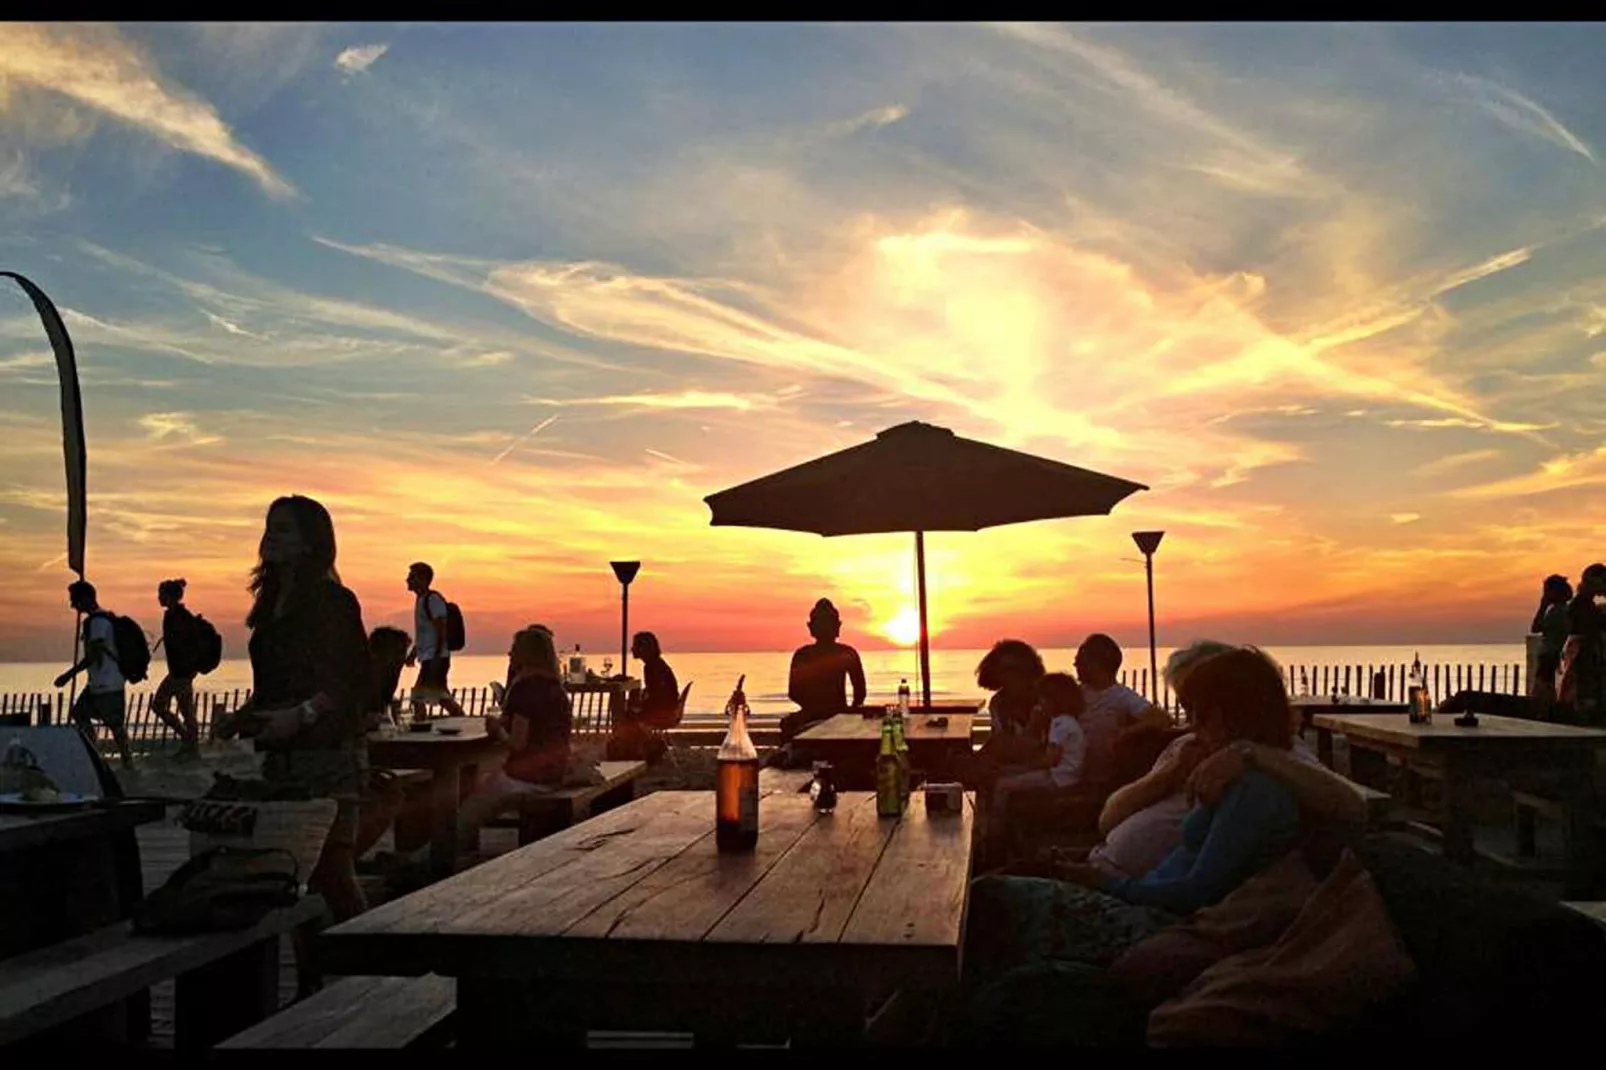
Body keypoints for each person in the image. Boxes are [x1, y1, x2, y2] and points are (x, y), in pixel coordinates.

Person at [955, 647, 1308, 1046]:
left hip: (1146, 920)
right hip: (1131, 893)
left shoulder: (1256, 790)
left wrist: (1099, 881)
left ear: (1225, 715)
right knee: (988, 898)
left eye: (1196, 713)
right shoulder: (1225, 772)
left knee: (987, 903)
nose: (1190, 724)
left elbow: (1193, 893)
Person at [215, 494, 372, 922]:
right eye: (268, 527)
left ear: (309, 542)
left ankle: (375, 972)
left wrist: (302, 714)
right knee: (290, 875)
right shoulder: (270, 606)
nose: (270, 537)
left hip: (329, 756)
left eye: (283, 529)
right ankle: (311, 980)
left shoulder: (333, 601)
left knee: (333, 873)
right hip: (281, 762)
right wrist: (244, 717)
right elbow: (276, 686)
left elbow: (353, 681)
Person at [442, 625, 573, 851]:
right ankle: (458, 851)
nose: (509, 654)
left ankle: (438, 863)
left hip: (527, 779)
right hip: (554, 774)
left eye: (514, 649)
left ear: (526, 654)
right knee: (481, 789)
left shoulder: (525, 687)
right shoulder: (556, 688)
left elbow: (517, 744)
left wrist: (497, 729)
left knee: (467, 813)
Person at [987, 672, 1087, 841]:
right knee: (1007, 773)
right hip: (1067, 776)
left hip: (1058, 778)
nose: (1039, 704)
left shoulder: (1059, 724)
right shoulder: (1069, 721)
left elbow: (1051, 760)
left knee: (1002, 785)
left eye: (1042, 699)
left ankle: (996, 833)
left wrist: (1023, 768)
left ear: (1052, 701)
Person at [54, 580, 134, 770]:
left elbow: (94, 655)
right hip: (99, 683)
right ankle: (96, 754)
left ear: (86, 598)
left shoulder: (98, 622)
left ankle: (125, 762)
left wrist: (68, 675)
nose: (72, 604)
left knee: (115, 724)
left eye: (74, 599)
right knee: (80, 714)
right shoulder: (97, 620)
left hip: (107, 683)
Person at [1074, 633, 1172, 786]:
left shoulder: (1121, 696)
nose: (1075, 665)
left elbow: (1162, 719)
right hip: (1072, 771)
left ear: (1097, 663)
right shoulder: (1076, 693)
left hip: (1101, 778)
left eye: (1080, 661)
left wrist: (1127, 733)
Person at [781, 598, 867, 741]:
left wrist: (845, 712)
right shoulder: (845, 653)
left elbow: (860, 693)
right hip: (828, 714)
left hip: (833, 714)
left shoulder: (845, 654)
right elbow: (860, 693)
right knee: (787, 726)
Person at [968, 639, 1050, 780]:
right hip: (1008, 766)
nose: (1008, 676)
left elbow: (1038, 749)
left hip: (1039, 770)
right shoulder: (997, 702)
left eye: (1014, 670)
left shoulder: (1045, 701)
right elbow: (997, 741)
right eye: (1003, 670)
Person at [608, 632, 681, 763]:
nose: (632, 649)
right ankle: (634, 746)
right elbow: (656, 692)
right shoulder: (656, 664)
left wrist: (639, 707)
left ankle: (629, 747)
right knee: (627, 709)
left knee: (623, 713)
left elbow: (658, 696)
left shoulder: (653, 667)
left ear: (645, 648)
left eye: (636, 645)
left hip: (663, 713)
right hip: (668, 709)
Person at [405, 562, 465, 719]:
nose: (408, 580)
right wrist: (414, 653)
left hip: (435, 657)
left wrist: (438, 654)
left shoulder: (433, 600)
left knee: (419, 697)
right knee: (441, 697)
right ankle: (462, 720)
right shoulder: (421, 600)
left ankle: (420, 727)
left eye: (412, 577)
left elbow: (441, 628)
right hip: (431, 657)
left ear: (423, 579)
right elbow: (425, 634)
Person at [151, 578, 202, 758]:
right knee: (186, 710)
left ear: (170, 596)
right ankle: (191, 747)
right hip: (181, 671)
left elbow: (189, 644)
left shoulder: (179, 617)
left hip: (181, 672)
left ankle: (188, 741)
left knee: (158, 705)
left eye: (161, 594)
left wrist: (188, 667)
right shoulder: (175, 615)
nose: (159, 598)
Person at [1559, 564, 1606, 726]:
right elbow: (1589, 634)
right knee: (1585, 703)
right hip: (1584, 659)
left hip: (1584, 657)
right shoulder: (1582, 605)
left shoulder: (1585, 604)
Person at [1531, 575, 1573, 715]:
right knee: (1546, 686)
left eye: (1547, 591)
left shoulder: (1557, 611)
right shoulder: (1560, 609)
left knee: (1542, 687)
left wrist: (1543, 605)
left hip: (1550, 654)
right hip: (1552, 654)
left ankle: (1543, 712)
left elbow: (1535, 627)